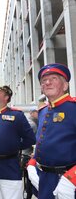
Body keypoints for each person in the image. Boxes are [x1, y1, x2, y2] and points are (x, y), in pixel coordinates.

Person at [27, 63, 76, 199]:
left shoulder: (73, 107)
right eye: (44, 81)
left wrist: (72, 178)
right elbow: (41, 142)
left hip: (68, 181)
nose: (47, 83)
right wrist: (32, 164)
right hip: (44, 178)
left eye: (53, 78)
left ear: (65, 85)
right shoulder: (43, 111)